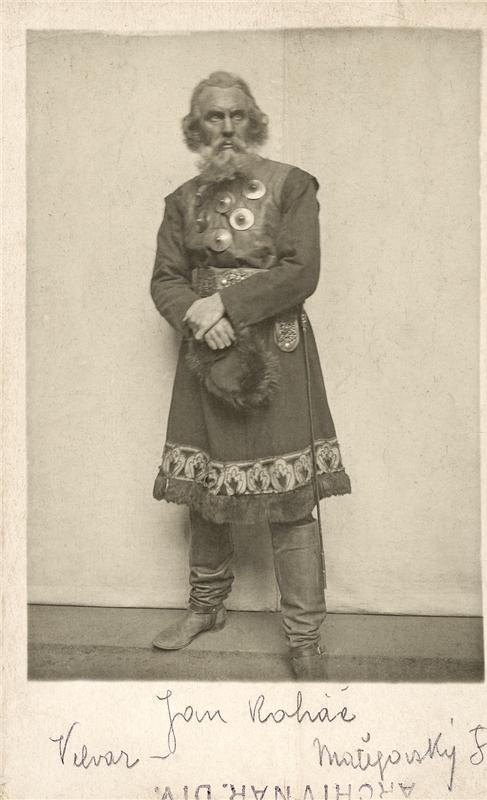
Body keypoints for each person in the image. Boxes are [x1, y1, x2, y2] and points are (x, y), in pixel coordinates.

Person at [150, 71, 351, 680]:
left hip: (278, 355)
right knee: (207, 487)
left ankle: (304, 637)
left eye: (237, 115)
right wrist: (197, 316)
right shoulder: (180, 201)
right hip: (206, 356)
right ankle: (206, 607)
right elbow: (166, 280)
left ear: (254, 121)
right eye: (214, 117)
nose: (227, 128)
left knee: (291, 499)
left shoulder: (293, 185)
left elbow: (301, 271)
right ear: (197, 129)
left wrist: (227, 307)